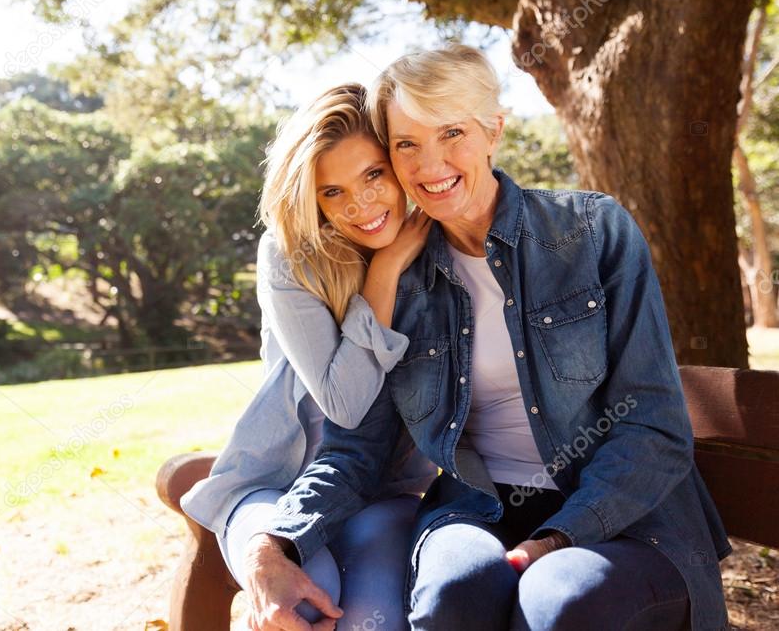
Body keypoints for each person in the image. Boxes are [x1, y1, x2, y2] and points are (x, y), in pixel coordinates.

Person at [244, 45, 731, 631]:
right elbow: (357, 447)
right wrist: (273, 542)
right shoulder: (399, 284)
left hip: (627, 514)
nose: (430, 164)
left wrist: (561, 534)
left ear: (494, 129)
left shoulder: (592, 232)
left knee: (559, 597)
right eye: (406, 145)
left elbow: (652, 423)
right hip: (479, 508)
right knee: (456, 590)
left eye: (451, 133)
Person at [180, 83, 437, 631]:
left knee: (371, 619)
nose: (360, 206)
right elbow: (345, 404)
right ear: (309, 198)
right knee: (295, 606)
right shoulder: (291, 257)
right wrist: (384, 271)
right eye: (332, 192)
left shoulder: (437, 254)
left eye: (373, 175)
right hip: (273, 486)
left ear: (398, 164)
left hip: (380, 492)